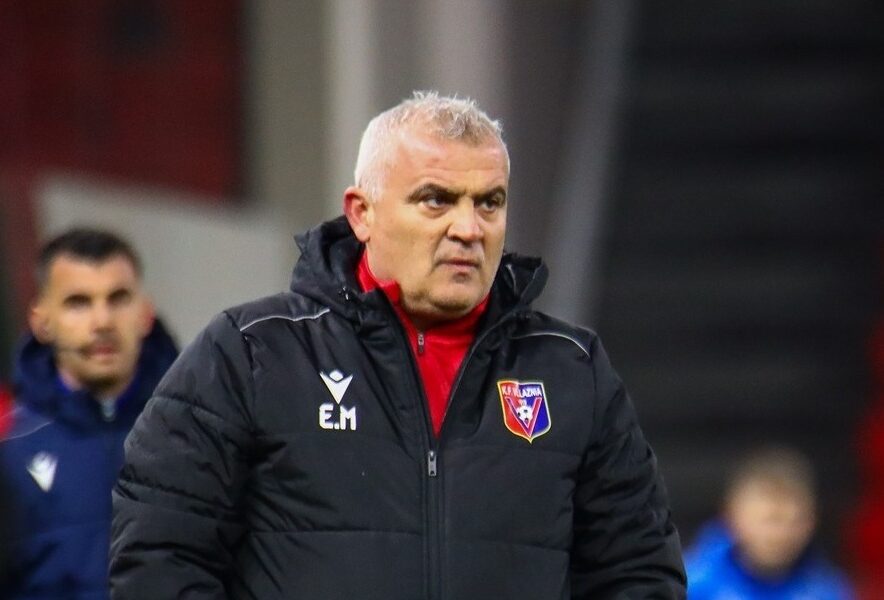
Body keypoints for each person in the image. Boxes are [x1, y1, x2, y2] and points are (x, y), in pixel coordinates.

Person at [109, 91, 686, 598]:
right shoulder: (251, 353)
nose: (469, 228)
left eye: (489, 202)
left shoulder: (571, 370)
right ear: (362, 213)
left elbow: (637, 570)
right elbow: (160, 555)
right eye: (437, 199)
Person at [0, 228, 178, 599]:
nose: (102, 322)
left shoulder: (197, 433)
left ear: (145, 313)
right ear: (41, 321)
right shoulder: (7, 446)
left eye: (118, 298)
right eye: (78, 302)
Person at [685, 445, 854, 599]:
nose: (781, 535)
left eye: (794, 522)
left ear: (812, 522)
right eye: (771, 520)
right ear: (733, 516)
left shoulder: (829, 589)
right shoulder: (688, 585)